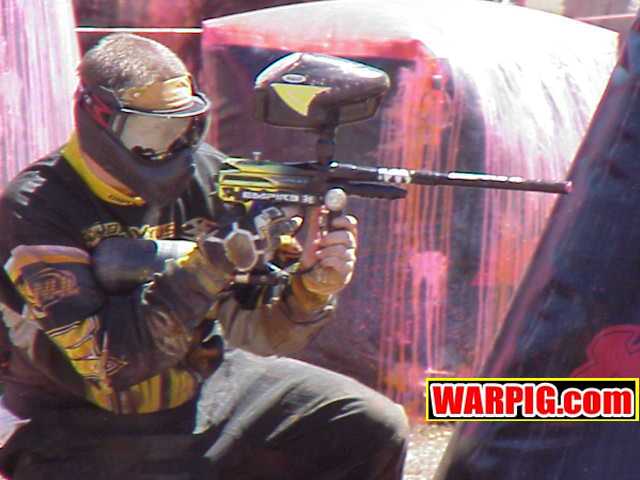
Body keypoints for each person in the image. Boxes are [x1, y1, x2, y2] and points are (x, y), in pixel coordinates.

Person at [0, 33, 408, 479]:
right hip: (79, 424)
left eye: (183, 127)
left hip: (203, 390)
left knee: (369, 426)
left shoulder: (206, 174)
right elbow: (110, 364)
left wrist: (310, 289)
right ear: (99, 120)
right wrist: (207, 266)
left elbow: (260, 334)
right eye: (151, 131)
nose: (172, 147)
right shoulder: (37, 207)